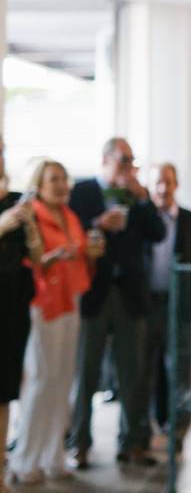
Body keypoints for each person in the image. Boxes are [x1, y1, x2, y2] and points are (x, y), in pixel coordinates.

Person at [68, 138, 166, 469]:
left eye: (132, 160)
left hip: (130, 294)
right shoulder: (82, 192)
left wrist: (144, 198)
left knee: (133, 372)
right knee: (86, 371)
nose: (128, 166)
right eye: (124, 159)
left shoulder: (137, 195)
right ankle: (79, 442)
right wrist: (97, 224)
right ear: (106, 159)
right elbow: (70, 232)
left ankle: (134, 442)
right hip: (93, 291)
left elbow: (158, 234)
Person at [8, 161, 102, 484]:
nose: (61, 185)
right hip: (42, 302)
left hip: (70, 299)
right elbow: (28, 262)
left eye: (64, 179)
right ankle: (25, 459)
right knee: (40, 379)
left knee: (63, 379)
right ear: (40, 183)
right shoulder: (29, 214)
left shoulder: (71, 216)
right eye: (54, 179)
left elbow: (79, 255)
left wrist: (88, 254)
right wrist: (56, 256)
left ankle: (54, 455)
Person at [134, 163, 191, 454]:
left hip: (181, 307)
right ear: (150, 187)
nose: (163, 188)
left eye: (168, 182)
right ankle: (144, 433)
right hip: (144, 305)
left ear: (176, 184)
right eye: (158, 183)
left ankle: (177, 431)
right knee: (142, 371)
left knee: (180, 371)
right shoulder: (139, 218)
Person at [0, 135, 35, 491]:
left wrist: (29, 226)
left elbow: (35, 255)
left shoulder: (15, 199)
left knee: (5, 389)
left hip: (12, 305)